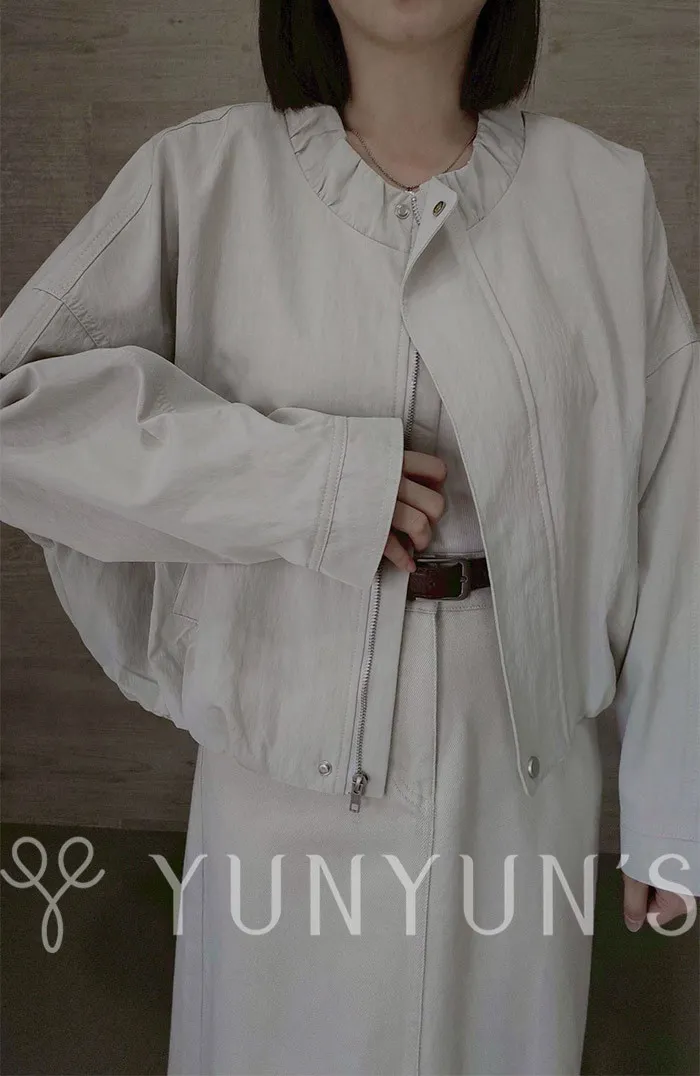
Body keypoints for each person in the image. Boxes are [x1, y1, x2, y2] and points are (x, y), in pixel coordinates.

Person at [1, 0, 698, 1073]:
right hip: (281, 759)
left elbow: (676, 507)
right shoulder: (204, 177)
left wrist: (673, 809)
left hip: (523, 780)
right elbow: (22, 420)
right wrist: (311, 485)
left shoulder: (599, 195)